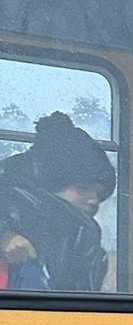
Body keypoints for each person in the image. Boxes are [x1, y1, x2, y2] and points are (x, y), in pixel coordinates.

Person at [0, 111, 113, 291]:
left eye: (100, 194)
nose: (94, 201)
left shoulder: (84, 241)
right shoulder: (12, 230)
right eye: (83, 188)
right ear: (50, 185)